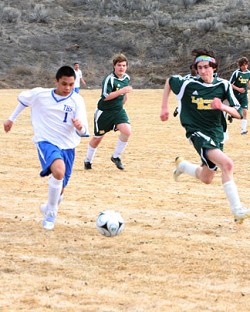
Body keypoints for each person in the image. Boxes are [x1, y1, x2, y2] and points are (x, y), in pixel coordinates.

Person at [160, 48, 250, 223]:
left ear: (214, 68)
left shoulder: (223, 85)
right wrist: (164, 107)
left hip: (216, 133)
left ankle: (183, 166)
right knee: (227, 164)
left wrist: (222, 107)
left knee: (207, 178)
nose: (202, 71)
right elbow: (170, 81)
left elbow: (239, 113)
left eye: (206, 67)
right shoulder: (188, 84)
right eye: (199, 67)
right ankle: (237, 209)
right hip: (196, 132)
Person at [3, 66, 89, 230]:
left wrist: (79, 127)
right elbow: (23, 101)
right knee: (58, 170)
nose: (68, 88)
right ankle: (51, 214)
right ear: (56, 81)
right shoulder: (40, 94)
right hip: (46, 141)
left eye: (71, 84)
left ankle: (48, 207)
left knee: (61, 187)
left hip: (68, 146)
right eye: (64, 84)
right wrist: (11, 119)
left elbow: (84, 130)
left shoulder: (77, 100)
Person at [84, 53, 132, 170]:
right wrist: (121, 91)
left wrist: (124, 98)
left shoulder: (126, 78)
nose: (122, 68)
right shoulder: (109, 79)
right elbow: (105, 96)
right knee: (98, 138)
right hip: (104, 112)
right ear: (114, 66)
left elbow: (124, 94)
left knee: (127, 131)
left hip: (118, 111)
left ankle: (116, 156)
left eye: (124, 65)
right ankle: (88, 160)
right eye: (119, 65)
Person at [229, 57, 250, 134]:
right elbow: (230, 84)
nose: (245, 67)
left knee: (245, 111)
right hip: (235, 94)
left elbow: (248, 82)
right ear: (240, 65)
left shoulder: (248, 73)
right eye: (243, 65)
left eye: (246, 65)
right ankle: (231, 115)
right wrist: (238, 89)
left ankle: (243, 130)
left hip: (244, 95)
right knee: (237, 112)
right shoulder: (236, 73)